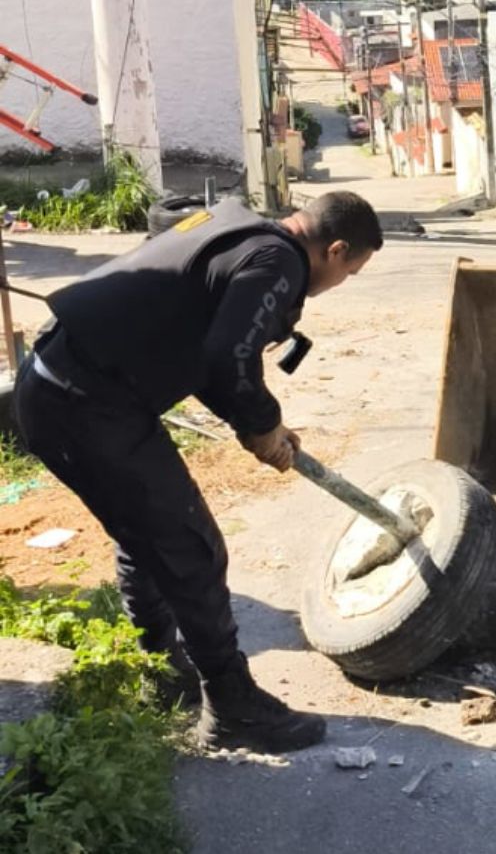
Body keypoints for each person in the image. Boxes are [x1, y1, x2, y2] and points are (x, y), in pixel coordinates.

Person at [13, 189, 383, 754]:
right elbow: (227, 357)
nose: (344, 281)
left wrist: (260, 425)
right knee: (192, 545)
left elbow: (211, 356)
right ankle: (233, 707)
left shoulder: (240, 227)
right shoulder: (277, 263)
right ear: (334, 249)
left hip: (61, 387)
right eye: (352, 271)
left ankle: (166, 673)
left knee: (147, 533)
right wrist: (261, 422)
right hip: (85, 404)